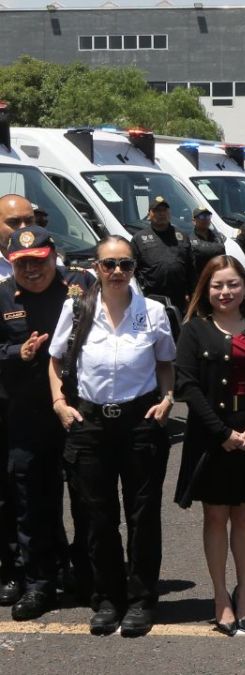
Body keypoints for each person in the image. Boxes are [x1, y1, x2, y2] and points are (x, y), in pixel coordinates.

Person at [47, 235, 176, 637]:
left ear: (134, 268)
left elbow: (166, 362)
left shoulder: (152, 311)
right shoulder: (77, 309)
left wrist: (168, 397)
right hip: (90, 423)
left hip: (139, 421)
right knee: (97, 516)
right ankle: (107, 598)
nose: (117, 272)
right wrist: (58, 402)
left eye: (125, 265)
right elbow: (54, 359)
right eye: (109, 265)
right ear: (96, 269)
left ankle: (140, 600)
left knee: (143, 515)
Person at [174, 255, 245, 636]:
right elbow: (186, 385)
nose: (225, 292)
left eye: (232, 284)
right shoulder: (195, 330)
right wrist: (222, 433)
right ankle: (221, 598)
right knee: (216, 517)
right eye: (217, 285)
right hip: (211, 436)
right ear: (206, 288)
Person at [0, 227, 93, 621]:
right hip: (25, 415)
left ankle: (86, 576)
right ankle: (39, 584)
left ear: (53, 255)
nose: (32, 270)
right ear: (11, 263)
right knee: (31, 503)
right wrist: (13, 351)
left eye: (38, 260)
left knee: (88, 499)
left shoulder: (82, 285)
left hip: (77, 410)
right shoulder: (3, 295)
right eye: (23, 263)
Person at [0, 195, 28, 607]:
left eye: (29, 219)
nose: (21, 226)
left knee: (34, 487)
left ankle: (44, 564)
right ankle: (9, 569)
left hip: (33, 398)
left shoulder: (42, 264)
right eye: (12, 221)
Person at [131, 196, 193, 312]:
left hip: (179, 297)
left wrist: (192, 294)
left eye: (164, 210)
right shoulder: (139, 239)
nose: (161, 214)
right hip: (151, 297)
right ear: (149, 214)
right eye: (157, 211)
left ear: (169, 213)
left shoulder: (181, 236)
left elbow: (190, 268)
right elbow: (132, 271)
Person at [189, 206, 226, 272]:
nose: (205, 219)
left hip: (217, 275)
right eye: (202, 217)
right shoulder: (189, 239)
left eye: (208, 216)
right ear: (194, 221)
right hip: (200, 278)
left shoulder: (218, 236)